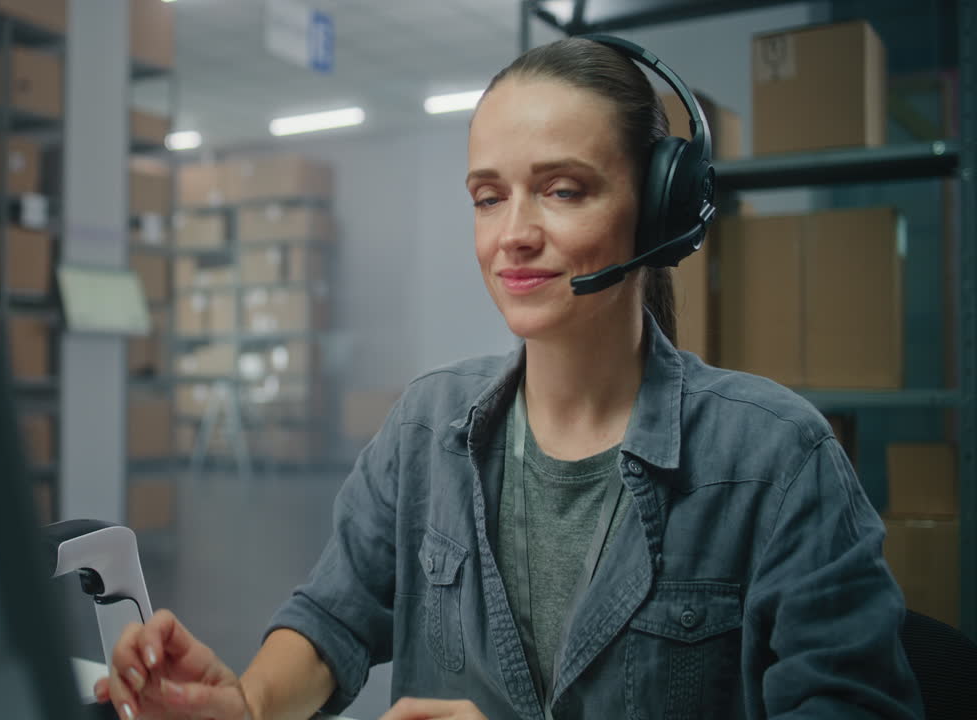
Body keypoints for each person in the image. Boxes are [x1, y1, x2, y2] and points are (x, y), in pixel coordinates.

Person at [94, 37, 925, 720]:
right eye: (488, 197)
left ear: (659, 208)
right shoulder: (425, 429)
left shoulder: (776, 461)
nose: (513, 235)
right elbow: (333, 617)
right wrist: (245, 703)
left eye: (562, 191)